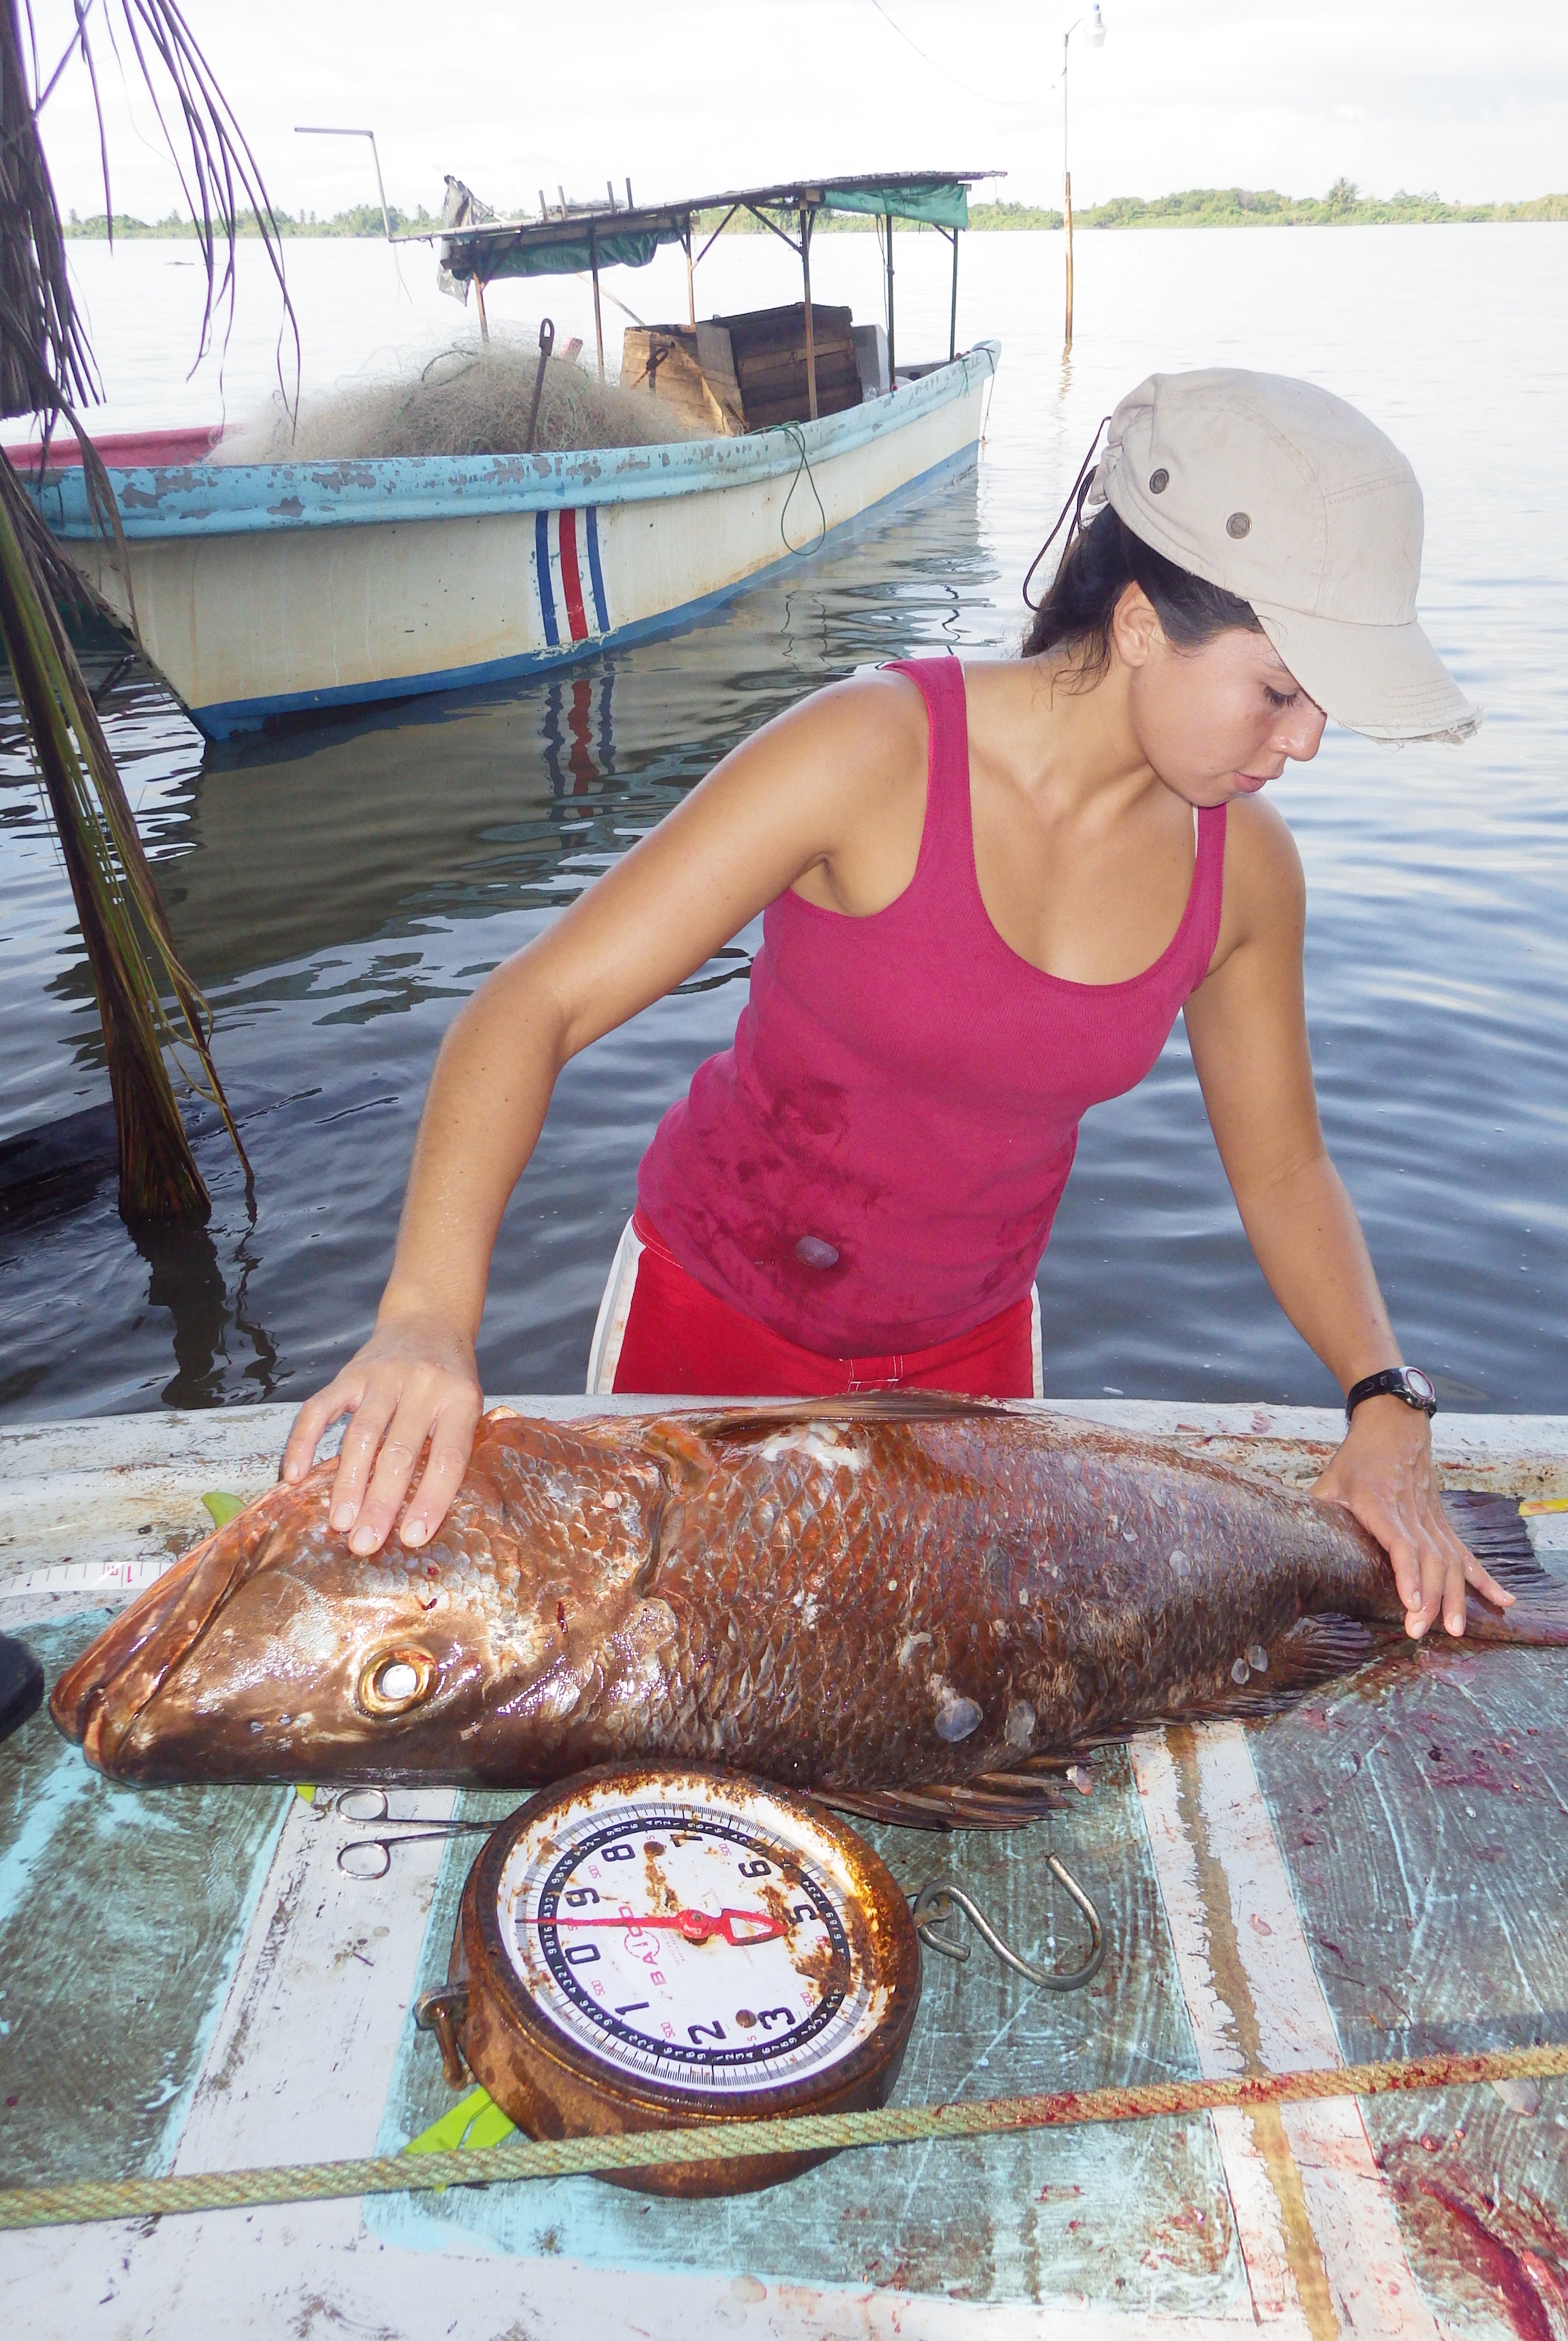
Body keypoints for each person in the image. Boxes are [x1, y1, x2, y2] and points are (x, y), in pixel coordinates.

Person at [283, 367, 1513, 1643]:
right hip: (711, 1331)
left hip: (968, 1374)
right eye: (1278, 690)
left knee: (938, 1713)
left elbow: (1286, 1166)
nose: (1304, 741)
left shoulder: (1243, 867)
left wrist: (1383, 1400)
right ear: (1143, 622)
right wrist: (426, 1315)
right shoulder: (868, 753)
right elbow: (533, 1002)